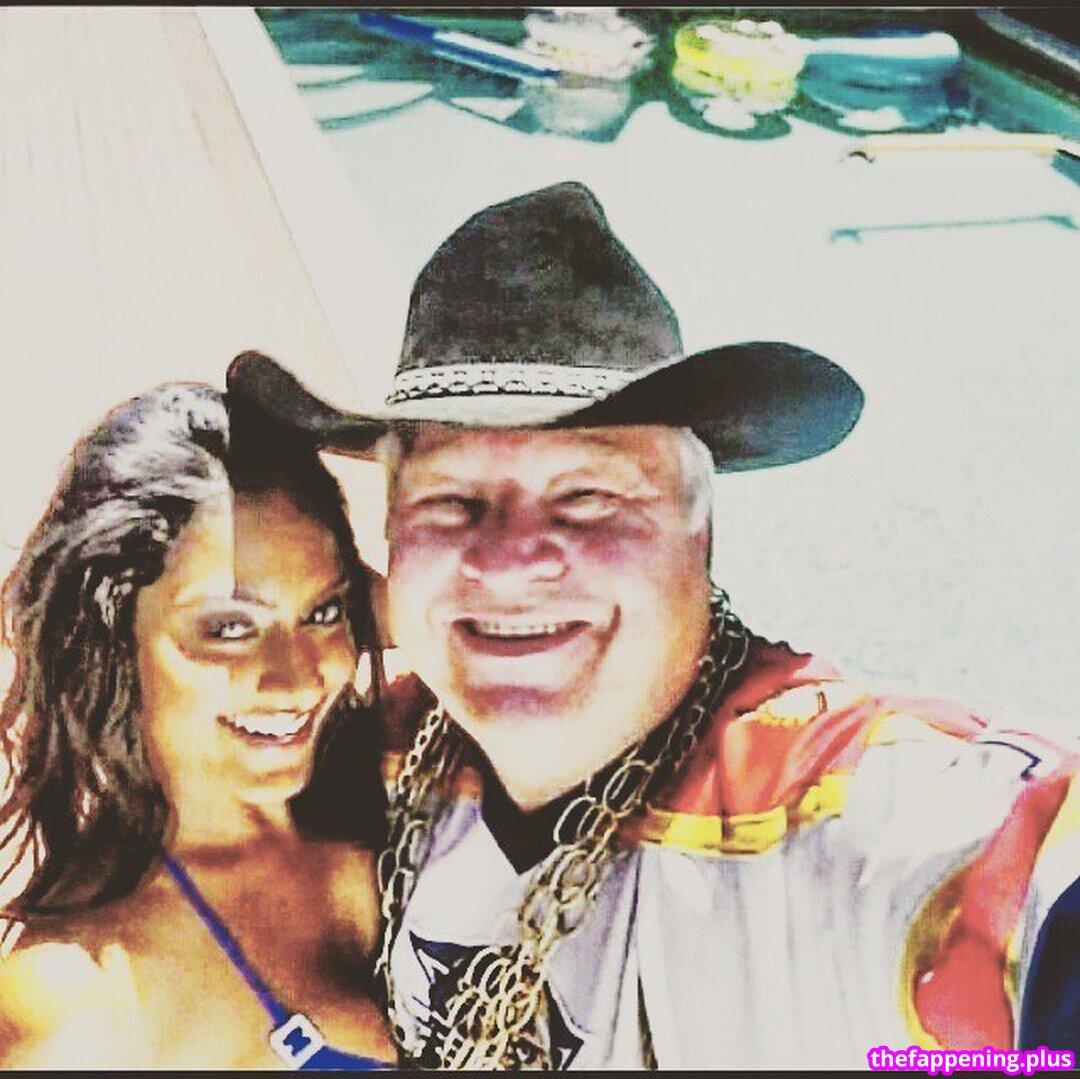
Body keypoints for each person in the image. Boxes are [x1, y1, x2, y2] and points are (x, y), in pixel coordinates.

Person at [227, 182, 1080, 1069]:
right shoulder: (348, 750)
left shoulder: (828, 816)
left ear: (698, 535)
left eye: (590, 495)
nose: (509, 562)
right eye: (451, 500)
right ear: (391, 544)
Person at [0, 383, 396, 1068]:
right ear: (113, 641)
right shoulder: (78, 994)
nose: (298, 677)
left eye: (323, 612)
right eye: (228, 627)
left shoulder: (409, 769)